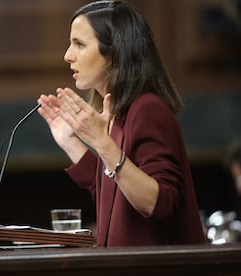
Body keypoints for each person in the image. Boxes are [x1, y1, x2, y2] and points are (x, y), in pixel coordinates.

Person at [37, 0, 206, 247]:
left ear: (114, 52)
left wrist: (103, 144)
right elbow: (115, 191)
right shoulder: (118, 112)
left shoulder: (148, 109)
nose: (67, 55)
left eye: (80, 44)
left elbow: (159, 203)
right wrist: (70, 142)